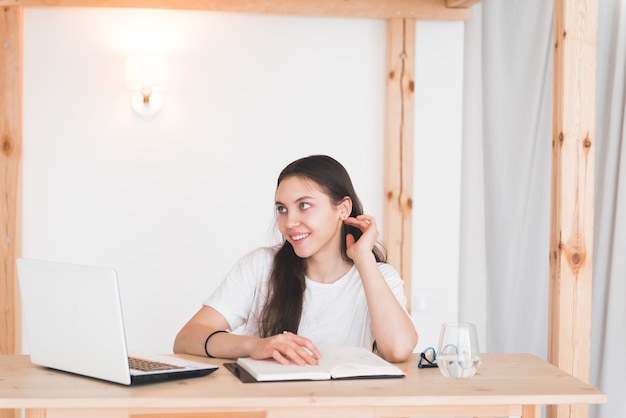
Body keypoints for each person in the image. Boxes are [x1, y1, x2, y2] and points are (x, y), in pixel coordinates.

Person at [174, 155, 418, 365]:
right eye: (282, 209)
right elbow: (186, 338)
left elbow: (397, 349)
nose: (289, 222)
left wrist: (364, 258)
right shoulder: (260, 266)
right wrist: (255, 346)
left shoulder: (379, 276)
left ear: (343, 209)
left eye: (304, 205)